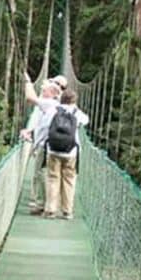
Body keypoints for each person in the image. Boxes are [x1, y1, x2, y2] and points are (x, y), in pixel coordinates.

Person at [28, 89, 89, 220]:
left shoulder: (52, 110)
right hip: (71, 151)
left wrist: (35, 145)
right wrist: (75, 109)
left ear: (60, 99)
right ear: (74, 101)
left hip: (53, 150)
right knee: (69, 180)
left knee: (52, 179)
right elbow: (86, 120)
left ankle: (51, 210)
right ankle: (67, 212)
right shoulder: (77, 113)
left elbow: (44, 127)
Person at [20, 74, 61, 213]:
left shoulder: (50, 103)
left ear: (53, 93)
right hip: (52, 145)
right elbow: (41, 122)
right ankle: (49, 204)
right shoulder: (57, 105)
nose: (42, 93)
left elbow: (30, 98)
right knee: (49, 174)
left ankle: (41, 204)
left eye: (45, 91)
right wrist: (31, 131)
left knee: (40, 173)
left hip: (45, 146)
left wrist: (28, 82)